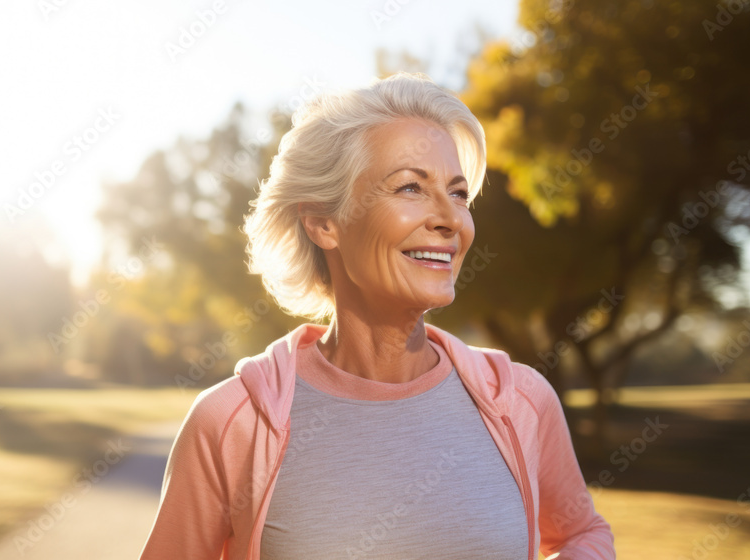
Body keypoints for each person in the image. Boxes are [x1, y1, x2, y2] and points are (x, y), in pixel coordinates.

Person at [139, 72, 615, 560]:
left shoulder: (521, 400)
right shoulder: (233, 422)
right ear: (324, 222)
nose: (450, 219)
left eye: (458, 194)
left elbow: (582, 534)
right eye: (411, 188)